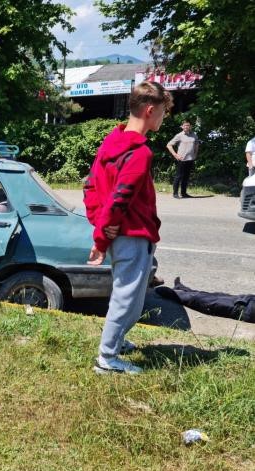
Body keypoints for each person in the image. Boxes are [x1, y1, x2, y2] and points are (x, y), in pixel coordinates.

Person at [83, 80, 173, 374]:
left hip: (123, 234)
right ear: (149, 110)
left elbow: (91, 186)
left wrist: (99, 222)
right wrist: (100, 236)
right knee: (126, 299)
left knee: (131, 298)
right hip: (133, 236)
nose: (163, 118)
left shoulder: (112, 141)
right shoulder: (140, 153)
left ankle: (117, 342)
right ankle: (107, 359)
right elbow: (120, 198)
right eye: (162, 113)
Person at [166, 120, 199, 198]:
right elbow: (169, 145)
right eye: (185, 125)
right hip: (181, 159)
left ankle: (184, 193)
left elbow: (197, 144)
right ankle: (175, 193)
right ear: (182, 127)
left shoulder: (194, 135)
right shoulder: (179, 135)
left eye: (188, 125)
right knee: (179, 176)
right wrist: (175, 155)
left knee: (186, 177)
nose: (186, 127)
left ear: (190, 127)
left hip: (190, 159)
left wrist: (195, 154)